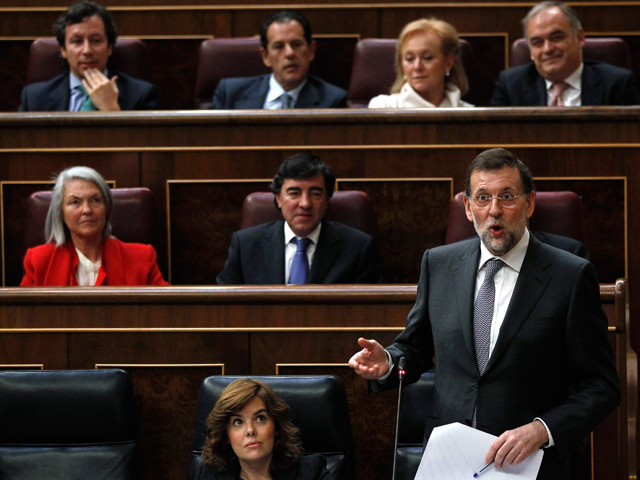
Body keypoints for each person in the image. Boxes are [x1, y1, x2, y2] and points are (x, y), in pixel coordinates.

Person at [348, 148, 619, 479]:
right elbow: (415, 348)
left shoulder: (570, 275)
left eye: (507, 196)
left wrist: (541, 430)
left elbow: (602, 386)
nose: (494, 210)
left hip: (527, 465)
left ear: (529, 203)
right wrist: (388, 362)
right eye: (482, 198)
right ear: (468, 207)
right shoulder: (438, 264)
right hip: (449, 461)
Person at [217, 152, 383, 284]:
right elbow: (224, 306)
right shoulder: (246, 245)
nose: (305, 203)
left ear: (327, 200)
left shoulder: (358, 248)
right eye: (294, 193)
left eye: (315, 194)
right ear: (278, 199)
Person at [21, 166, 168, 286]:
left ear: (107, 208)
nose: (87, 210)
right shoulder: (39, 261)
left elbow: (165, 309)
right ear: (61, 213)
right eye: (75, 202)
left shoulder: (142, 259)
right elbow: (23, 312)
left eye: (95, 200)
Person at [492, 1, 640, 106]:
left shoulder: (617, 84)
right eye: (537, 42)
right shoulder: (510, 86)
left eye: (557, 37)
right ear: (531, 51)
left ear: (579, 38)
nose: (548, 49)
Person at [19, 1, 158, 112]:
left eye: (96, 41)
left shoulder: (142, 95)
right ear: (63, 50)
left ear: (110, 47)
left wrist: (111, 110)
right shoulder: (34, 98)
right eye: (77, 41)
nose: (87, 51)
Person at [193, 378, 333, 480]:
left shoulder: (312, 472)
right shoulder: (207, 475)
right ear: (226, 436)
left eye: (260, 418)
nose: (250, 430)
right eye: (238, 422)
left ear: (276, 427)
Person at [211, 11, 347, 109]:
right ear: (265, 56)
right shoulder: (230, 93)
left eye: (296, 44)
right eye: (279, 46)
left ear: (311, 51)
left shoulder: (333, 100)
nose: (289, 53)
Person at [368, 18, 472, 108]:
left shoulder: (469, 113)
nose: (417, 66)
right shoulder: (383, 106)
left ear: (448, 63)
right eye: (409, 59)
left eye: (427, 58)